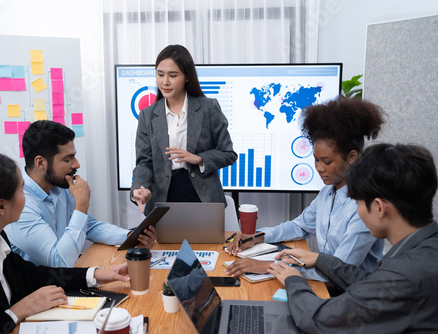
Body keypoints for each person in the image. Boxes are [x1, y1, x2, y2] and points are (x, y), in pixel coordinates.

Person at [0, 152, 130, 333]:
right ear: (1, 206)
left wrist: (97, 274)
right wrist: (18, 311)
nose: (26, 196)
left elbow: (32, 275)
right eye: (22, 189)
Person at [268, 143, 438, 333]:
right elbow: (370, 281)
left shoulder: (402, 275)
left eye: (357, 203)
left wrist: (294, 280)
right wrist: (320, 259)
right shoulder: (425, 246)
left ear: (379, 208)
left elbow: (322, 320)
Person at [226, 98, 385, 282]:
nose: (319, 168)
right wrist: (256, 237)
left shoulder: (363, 209)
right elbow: (299, 226)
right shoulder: (328, 192)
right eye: (316, 160)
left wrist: (266, 267)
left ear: (351, 157)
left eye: (327, 162)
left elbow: (340, 269)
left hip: (348, 293)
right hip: (326, 284)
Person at [4, 120, 156, 267]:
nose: (76, 164)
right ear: (40, 163)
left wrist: (130, 236)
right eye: (67, 159)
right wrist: (81, 205)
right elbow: (59, 261)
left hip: (64, 279)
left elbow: (88, 226)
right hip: (39, 288)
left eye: (74, 156)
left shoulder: (60, 186)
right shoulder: (20, 204)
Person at [131, 44, 237, 215]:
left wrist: (199, 158)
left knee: (205, 243)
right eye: (160, 74)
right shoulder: (147, 115)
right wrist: (139, 187)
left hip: (202, 196)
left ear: (187, 77)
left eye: (173, 75)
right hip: (162, 196)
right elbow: (144, 162)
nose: (165, 82)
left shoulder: (208, 108)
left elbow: (228, 153)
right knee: (164, 242)